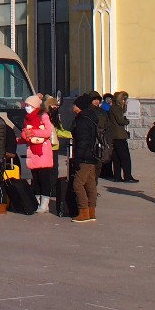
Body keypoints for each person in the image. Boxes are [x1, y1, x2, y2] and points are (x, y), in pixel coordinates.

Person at [21, 94, 55, 214]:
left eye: (28, 105)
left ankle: (45, 203)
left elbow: (47, 132)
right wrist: (25, 135)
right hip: (32, 151)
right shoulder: (27, 118)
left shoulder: (43, 116)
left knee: (43, 178)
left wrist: (33, 132)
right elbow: (24, 132)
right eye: (26, 105)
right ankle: (37, 201)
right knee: (35, 178)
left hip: (42, 151)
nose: (26, 107)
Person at [69, 94, 100, 222]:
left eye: (75, 104)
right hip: (92, 155)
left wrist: (78, 159)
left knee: (77, 184)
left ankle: (83, 211)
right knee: (90, 184)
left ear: (79, 106)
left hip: (84, 157)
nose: (73, 106)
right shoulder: (91, 118)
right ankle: (91, 211)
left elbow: (82, 141)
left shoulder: (81, 120)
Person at [107, 91, 137, 182]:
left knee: (116, 157)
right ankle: (127, 176)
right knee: (125, 157)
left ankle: (117, 176)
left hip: (114, 135)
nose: (125, 101)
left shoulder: (114, 108)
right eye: (124, 99)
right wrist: (126, 121)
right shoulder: (116, 108)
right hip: (119, 136)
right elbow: (120, 121)